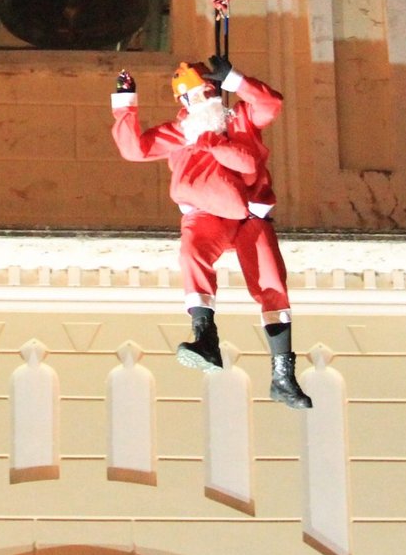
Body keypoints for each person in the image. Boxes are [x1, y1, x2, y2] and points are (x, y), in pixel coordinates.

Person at [110, 56, 313, 409]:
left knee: (270, 284)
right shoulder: (180, 133)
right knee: (192, 254)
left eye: (211, 91)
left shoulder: (238, 120)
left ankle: (283, 375)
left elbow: (270, 104)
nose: (207, 99)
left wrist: (235, 79)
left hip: (248, 217)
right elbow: (134, 149)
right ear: (184, 100)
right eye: (199, 94)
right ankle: (206, 337)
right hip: (205, 216)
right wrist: (126, 102)